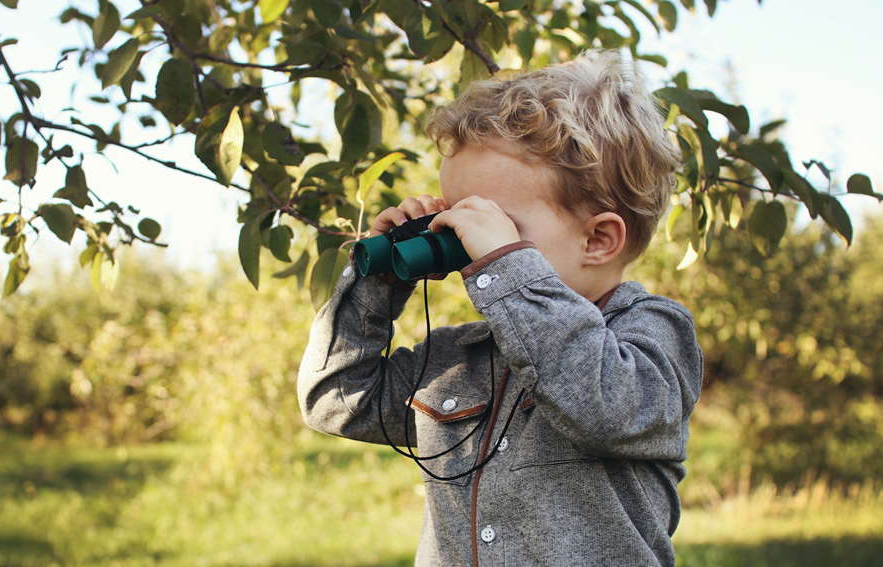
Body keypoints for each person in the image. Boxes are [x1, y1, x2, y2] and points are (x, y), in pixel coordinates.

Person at [297, 49, 703, 567]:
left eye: (494, 225)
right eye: (457, 216)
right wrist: (375, 284)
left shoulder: (654, 334)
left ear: (599, 239)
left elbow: (604, 407)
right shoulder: (454, 359)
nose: (465, 241)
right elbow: (335, 400)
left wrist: (506, 267)